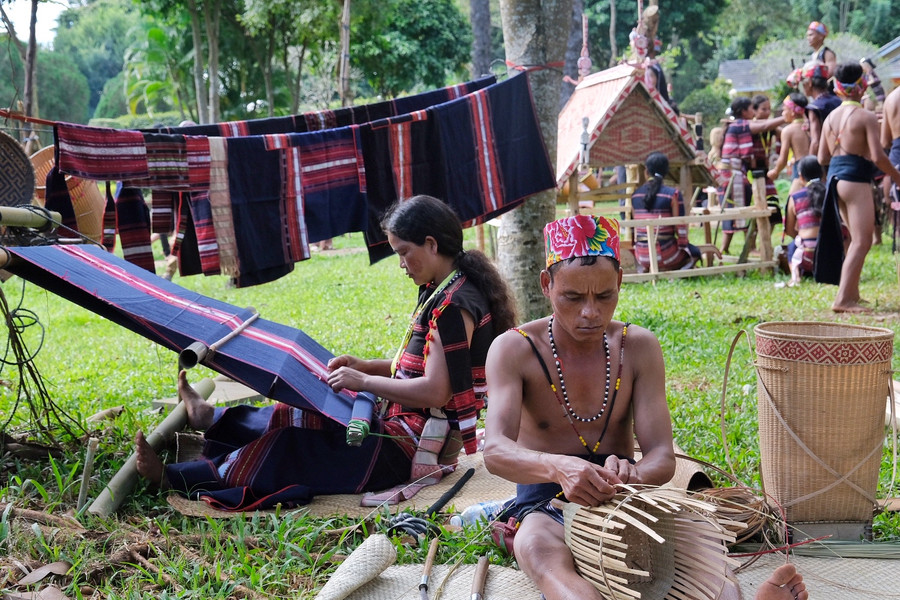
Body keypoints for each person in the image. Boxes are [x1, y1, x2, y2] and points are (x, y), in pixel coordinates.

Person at [135, 194, 517, 509]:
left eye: (404, 252)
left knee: (291, 448)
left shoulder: (453, 306)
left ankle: (175, 477)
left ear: (432, 244)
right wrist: (365, 366)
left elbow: (436, 392)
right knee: (300, 411)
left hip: (409, 447)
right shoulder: (442, 288)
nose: (401, 265)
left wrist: (364, 380)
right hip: (398, 420)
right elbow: (420, 370)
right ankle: (210, 416)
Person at [483, 214, 677, 600]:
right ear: (546, 285)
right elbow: (494, 450)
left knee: (701, 572)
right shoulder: (514, 349)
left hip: (622, 500)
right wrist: (559, 467)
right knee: (541, 554)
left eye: (604, 296)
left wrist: (633, 476)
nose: (590, 312)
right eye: (572, 297)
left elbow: (663, 456)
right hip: (543, 503)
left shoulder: (638, 347)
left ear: (619, 283)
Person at [818, 62, 900, 313]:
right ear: (861, 85)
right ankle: (843, 300)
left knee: (856, 239)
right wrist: (897, 176)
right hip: (855, 180)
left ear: (839, 88)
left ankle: (852, 293)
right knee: (863, 241)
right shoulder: (864, 116)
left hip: (835, 180)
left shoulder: (830, 117)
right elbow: (877, 156)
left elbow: (822, 157)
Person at [719, 96, 785, 253]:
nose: (767, 112)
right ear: (750, 111)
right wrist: (786, 117)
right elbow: (763, 126)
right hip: (738, 175)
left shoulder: (757, 126)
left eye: (769, 109)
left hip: (760, 174)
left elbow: (771, 128)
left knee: (771, 209)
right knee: (737, 211)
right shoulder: (743, 126)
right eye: (763, 109)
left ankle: (760, 245)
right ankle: (731, 248)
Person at [630, 152, 702, 271]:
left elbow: (635, 229)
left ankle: (652, 267)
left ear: (646, 171)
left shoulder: (635, 196)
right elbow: (680, 226)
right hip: (667, 254)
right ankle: (670, 268)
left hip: (641, 255)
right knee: (695, 253)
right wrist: (685, 246)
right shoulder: (672, 194)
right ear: (666, 172)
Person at [784, 156, 826, 285]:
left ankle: (795, 276)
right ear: (823, 174)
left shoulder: (795, 197)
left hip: (806, 256)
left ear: (800, 176)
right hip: (830, 256)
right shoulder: (830, 193)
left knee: (793, 246)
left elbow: (789, 230)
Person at [768, 93, 811, 197]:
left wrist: (775, 171)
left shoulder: (788, 130)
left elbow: (783, 158)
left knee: (795, 200)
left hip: (800, 168)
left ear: (792, 111)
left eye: (784, 109)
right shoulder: (811, 126)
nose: (783, 113)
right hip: (815, 165)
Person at [801, 61, 841, 157]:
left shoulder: (814, 108)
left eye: (803, 83)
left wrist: (808, 166)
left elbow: (816, 142)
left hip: (827, 159)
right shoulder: (839, 100)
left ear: (810, 83)